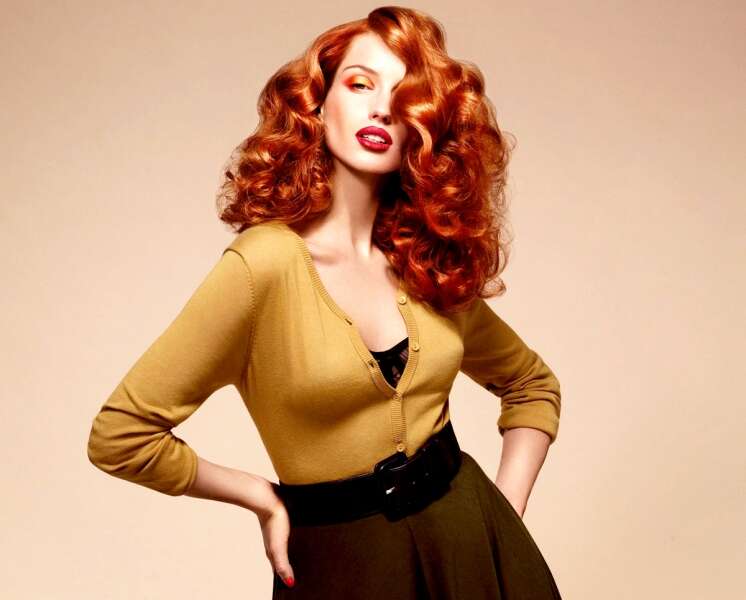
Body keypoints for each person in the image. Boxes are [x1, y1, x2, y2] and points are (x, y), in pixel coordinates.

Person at [86, 6, 563, 599]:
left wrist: (502, 522)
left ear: (425, 127)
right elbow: (120, 435)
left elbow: (532, 385)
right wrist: (259, 495)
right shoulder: (262, 266)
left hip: (472, 551)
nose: (381, 108)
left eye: (405, 96)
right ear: (317, 105)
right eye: (360, 84)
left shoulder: (424, 259)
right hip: (342, 569)